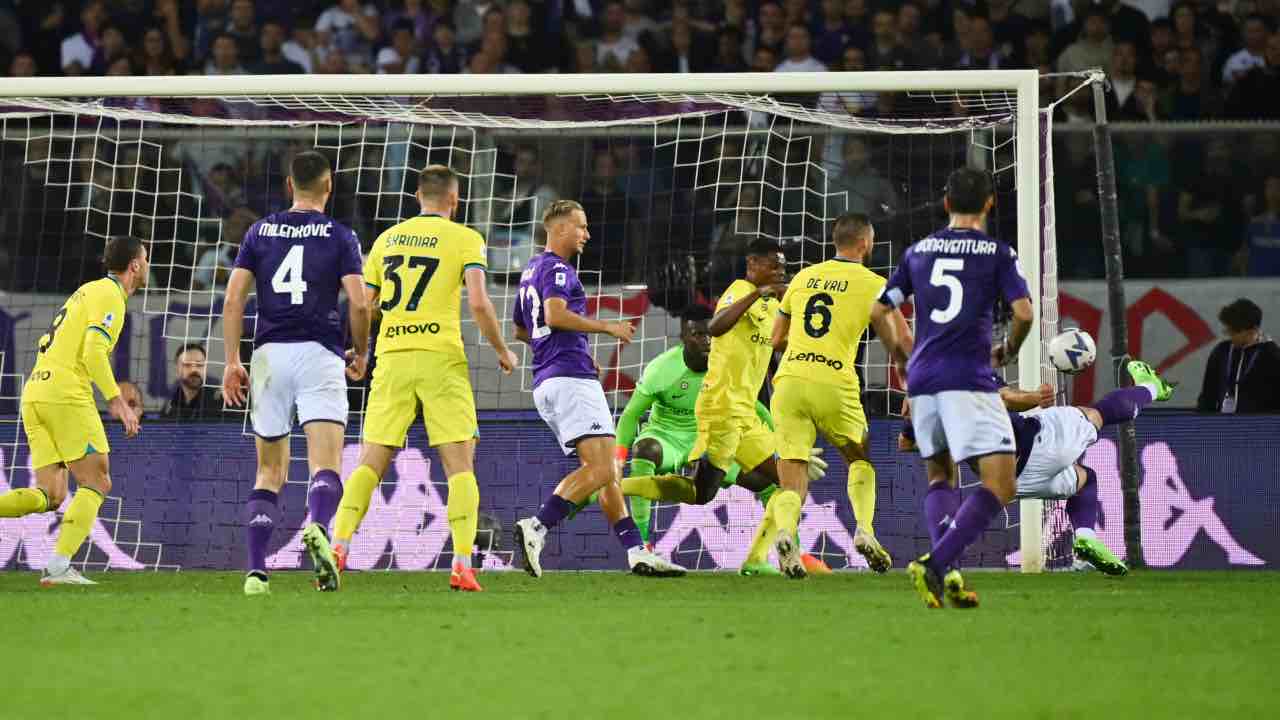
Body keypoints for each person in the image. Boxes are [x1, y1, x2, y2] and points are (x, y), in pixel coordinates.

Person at [330, 165, 517, 593]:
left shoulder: (385, 239)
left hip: (392, 357)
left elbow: (364, 305)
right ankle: (463, 564)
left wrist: (362, 351)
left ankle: (339, 546)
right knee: (459, 465)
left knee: (371, 461)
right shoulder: (466, 238)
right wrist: (502, 350)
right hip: (441, 360)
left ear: (417, 196)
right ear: (455, 200)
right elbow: (480, 303)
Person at [876, 167, 1033, 609]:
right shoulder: (996, 252)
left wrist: (901, 358)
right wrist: (1008, 349)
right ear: (989, 204)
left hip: (923, 378)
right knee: (1000, 484)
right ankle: (936, 564)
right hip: (968, 378)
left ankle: (948, 569)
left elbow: (879, 310)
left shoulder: (918, 251)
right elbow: (1023, 312)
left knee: (941, 474)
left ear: (946, 204)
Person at [221, 151, 369, 596]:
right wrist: (360, 351)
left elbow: (233, 301)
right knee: (326, 463)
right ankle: (320, 527)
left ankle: (255, 572)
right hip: (320, 352)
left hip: (268, 356)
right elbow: (360, 304)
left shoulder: (258, 231)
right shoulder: (341, 236)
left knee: (268, 472)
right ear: (329, 187)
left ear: (289, 185)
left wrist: (232, 361)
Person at [511, 200, 684, 578]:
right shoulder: (557, 269)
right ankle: (537, 527)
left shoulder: (530, 271)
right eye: (581, 227)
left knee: (603, 471)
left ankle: (636, 551)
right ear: (558, 230)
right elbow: (555, 316)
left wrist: (563, 348)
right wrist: (607, 328)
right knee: (604, 467)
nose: (587, 234)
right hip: (570, 379)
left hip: (549, 378)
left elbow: (521, 329)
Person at [589, 305, 831, 575]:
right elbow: (631, 415)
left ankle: (774, 557)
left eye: (710, 336)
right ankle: (642, 546)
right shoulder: (662, 369)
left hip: (711, 437)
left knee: (771, 482)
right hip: (668, 437)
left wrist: (783, 442)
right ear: (684, 336)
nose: (706, 341)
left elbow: (755, 407)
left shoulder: (726, 367)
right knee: (646, 449)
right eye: (697, 335)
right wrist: (618, 459)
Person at [902, 362, 1177, 577]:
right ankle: (1151, 387)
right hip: (1038, 445)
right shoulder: (970, 368)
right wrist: (1035, 396)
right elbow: (1007, 397)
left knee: (1084, 479)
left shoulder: (925, 392)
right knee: (1095, 414)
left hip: (1009, 482)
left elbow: (905, 443)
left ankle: (1085, 537)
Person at [749, 213, 906, 578]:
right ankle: (864, 530)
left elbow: (776, 340)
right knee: (858, 458)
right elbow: (897, 341)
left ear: (835, 241)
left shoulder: (803, 277)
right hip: (834, 380)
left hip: (788, 381)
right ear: (865, 243)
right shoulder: (874, 283)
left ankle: (786, 533)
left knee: (792, 478)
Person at [0, 235, 146, 585]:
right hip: (65, 392)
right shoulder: (112, 295)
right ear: (136, 265)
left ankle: (58, 565)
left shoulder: (87, 290)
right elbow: (93, 352)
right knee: (97, 479)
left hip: (36, 390)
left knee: (53, 494)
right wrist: (116, 401)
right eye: (146, 259)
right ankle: (59, 566)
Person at [1196, 298, 1280, 414]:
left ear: (1253, 330)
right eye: (1229, 330)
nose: (1230, 335)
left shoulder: (1271, 354)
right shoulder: (1221, 351)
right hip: (1222, 425)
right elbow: (1208, 393)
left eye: (1235, 331)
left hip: (1259, 426)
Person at [162, 344, 224, 419]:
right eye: (187, 365)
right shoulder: (171, 402)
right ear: (177, 370)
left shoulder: (221, 402)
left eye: (200, 365)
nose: (194, 369)